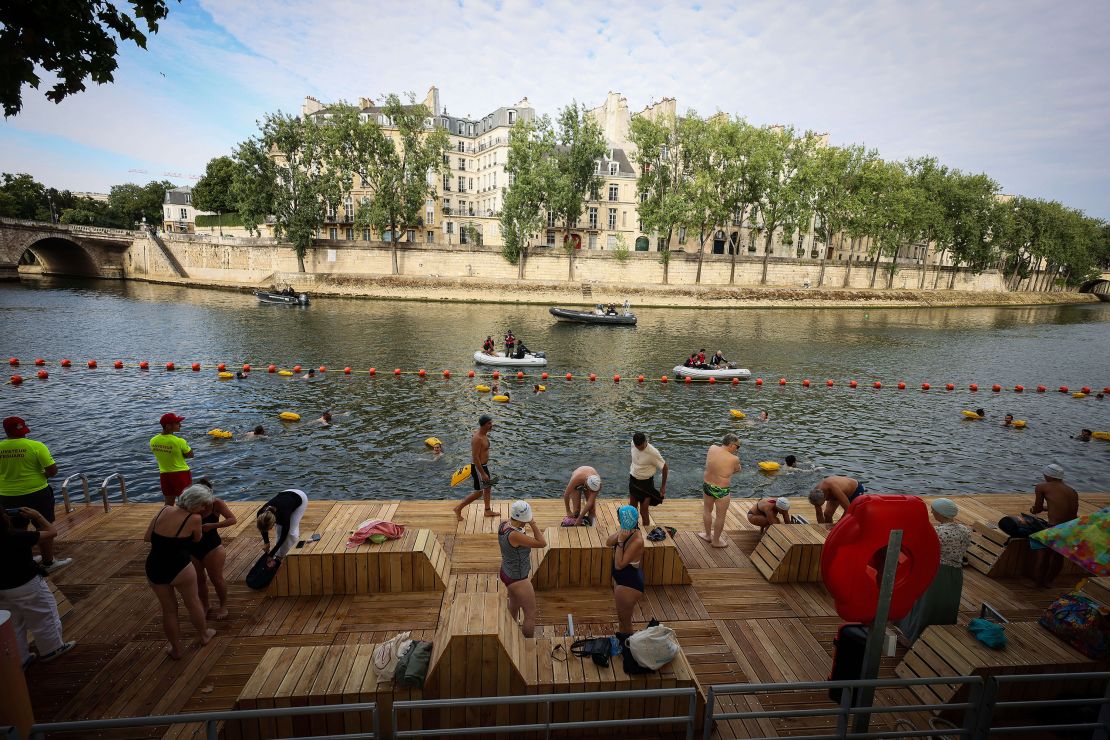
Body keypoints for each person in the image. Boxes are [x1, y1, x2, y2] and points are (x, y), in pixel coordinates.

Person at [0, 506, 76, 668]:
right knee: (44, 615)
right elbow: (51, 532)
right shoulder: (17, 536)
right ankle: (52, 648)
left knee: (13, 623)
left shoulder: (16, 536)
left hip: (2, 589)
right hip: (26, 583)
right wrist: (38, 516)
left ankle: (20, 658)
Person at [144, 493, 215, 659]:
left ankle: (176, 649)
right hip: (179, 566)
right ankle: (204, 635)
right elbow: (197, 539)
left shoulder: (164, 510)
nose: (204, 509)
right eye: (202, 505)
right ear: (194, 504)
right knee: (193, 602)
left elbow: (147, 537)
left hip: (154, 566)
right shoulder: (195, 518)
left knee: (169, 610)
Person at [1, 416, 69, 572]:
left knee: (17, 529)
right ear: (23, 429)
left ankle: (24, 560)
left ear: (6, 431)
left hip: (7, 496)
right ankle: (48, 562)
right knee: (44, 526)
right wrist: (40, 476)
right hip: (36, 493)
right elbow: (52, 471)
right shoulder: (36, 446)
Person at [898, 498, 970, 643]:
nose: (932, 513)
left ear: (941, 513)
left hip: (937, 572)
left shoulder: (937, 531)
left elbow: (923, 550)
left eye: (934, 511)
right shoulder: (965, 530)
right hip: (955, 573)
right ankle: (942, 634)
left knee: (926, 604)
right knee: (945, 603)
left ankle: (914, 636)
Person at [182, 482, 236, 620]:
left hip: (212, 547)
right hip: (192, 547)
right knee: (199, 580)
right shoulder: (187, 505)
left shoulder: (216, 503)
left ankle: (223, 605)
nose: (203, 507)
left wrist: (213, 525)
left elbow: (232, 519)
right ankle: (206, 605)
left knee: (216, 579)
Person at [498, 500, 546, 638]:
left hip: (506, 571)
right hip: (518, 579)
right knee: (530, 615)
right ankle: (526, 644)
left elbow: (517, 526)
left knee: (514, 605)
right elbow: (542, 543)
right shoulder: (515, 535)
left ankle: (508, 636)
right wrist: (532, 523)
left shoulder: (503, 525)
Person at [1030, 464, 1079, 588]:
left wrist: (1033, 509)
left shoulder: (1041, 487)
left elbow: (1037, 508)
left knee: (1042, 554)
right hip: (1071, 527)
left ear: (1048, 475)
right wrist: (1049, 508)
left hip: (1054, 527)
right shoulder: (1072, 490)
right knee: (1058, 556)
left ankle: (1038, 583)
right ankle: (1049, 581)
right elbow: (1066, 508)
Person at [607, 505, 644, 635]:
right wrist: (619, 534)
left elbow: (619, 564)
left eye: (619, 518)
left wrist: (621, 541)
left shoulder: (637, 540)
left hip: (629, 585)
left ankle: (629, 651)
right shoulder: (627, 530)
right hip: (622, 580)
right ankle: (623, 645)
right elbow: (608, 542)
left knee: (625, 622)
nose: (618, 520)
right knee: (621, 620)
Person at [453, 415, 499, 521]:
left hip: (484, 466)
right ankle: (458, 508)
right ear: (483, 425)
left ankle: (487, 510)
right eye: (489, 423)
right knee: (479, 492)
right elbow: (475, 457)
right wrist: (482, 473)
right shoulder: (477, 438)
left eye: (491, 423)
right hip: (478, 468)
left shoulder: (484, 435)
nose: (491, 425)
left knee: (487, 488)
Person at [700, 433, 741, 547]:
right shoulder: (734, 458)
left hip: (708, 485)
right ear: (732, 445)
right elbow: (737, 470)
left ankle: (708, 535)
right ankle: (716, 541)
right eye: (737, 447)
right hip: (721, 490)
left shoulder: (712, 448)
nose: (737, 449)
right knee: (720, 516)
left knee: (707, 510)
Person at [256, 489, 310, 567]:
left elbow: (283, 536)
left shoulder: (283, 515)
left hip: (300, 497)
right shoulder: (260, 514)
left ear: (273, 522)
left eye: (270, 528)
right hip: (285, 495)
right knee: (279, 530)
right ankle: (280, 555)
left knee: (291, 532)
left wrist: (271, 554)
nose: (269, 530)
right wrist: (266, 542)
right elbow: (263, 528)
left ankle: (293, 554)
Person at [150, 412, 193, 506]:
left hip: (164, 474)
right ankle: (187, 520)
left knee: (168, 503)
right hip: (181, 474)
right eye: (177, 423)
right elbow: (190, 455)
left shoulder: (153, 440)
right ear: (168, 426)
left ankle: (167, 519)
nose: (180, 425)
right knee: (187, 503)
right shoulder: (179, 441)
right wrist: (183, 454)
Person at [629, 431, 668, 528]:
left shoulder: (653, 453)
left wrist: (663, 487)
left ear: (646, 441)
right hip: (633, 481)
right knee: (632, 509)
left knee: (643, 511)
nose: (640, 449)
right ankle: (633, 531)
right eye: (638, 447)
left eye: (642, 447)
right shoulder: (633, 444)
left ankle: (646, 532)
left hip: (646, 483)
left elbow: (665, 468)